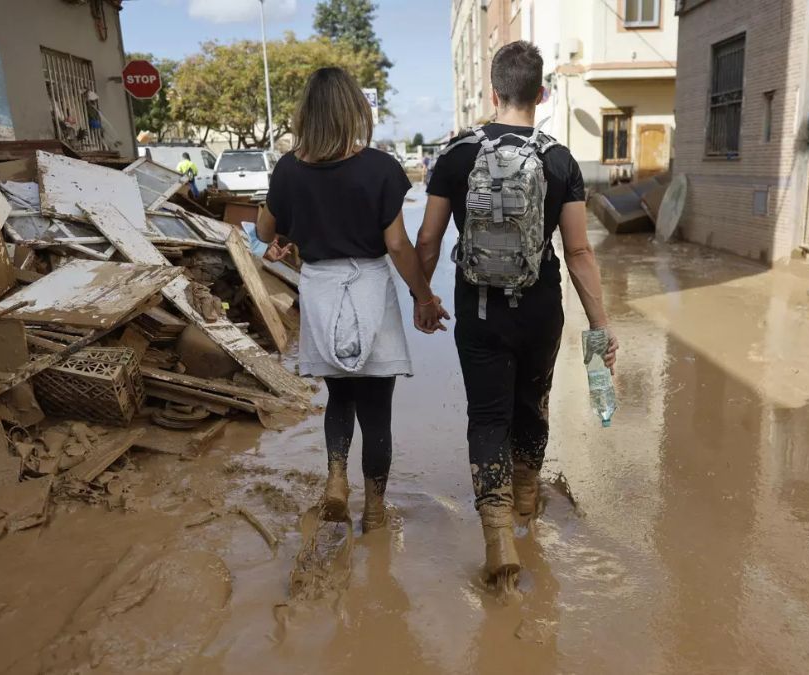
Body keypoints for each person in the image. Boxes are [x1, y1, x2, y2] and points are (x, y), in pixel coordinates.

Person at [416, 41, 618, 584]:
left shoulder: (457, 155)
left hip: (477, 308)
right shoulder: (559, 158)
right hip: (539, 309)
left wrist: (423, 298)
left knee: (486, 417)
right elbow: (578, 251)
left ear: (493, 91)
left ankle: (499, 537)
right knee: (533, 403)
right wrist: (600, 326)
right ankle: (526, 501)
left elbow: (429, 239)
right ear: (542, 94)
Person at [253, 67, 448, 532]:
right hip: (370, 290)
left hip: (319, 289)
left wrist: (283, 224)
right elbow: (398, 246)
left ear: (308, 116)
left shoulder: (288, 169)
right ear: (354, 112)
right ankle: (375, 510)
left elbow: (265, 232)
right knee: (377, 410)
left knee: (339, 398)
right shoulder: (380, 168)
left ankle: (337, 481)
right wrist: (424, 297)